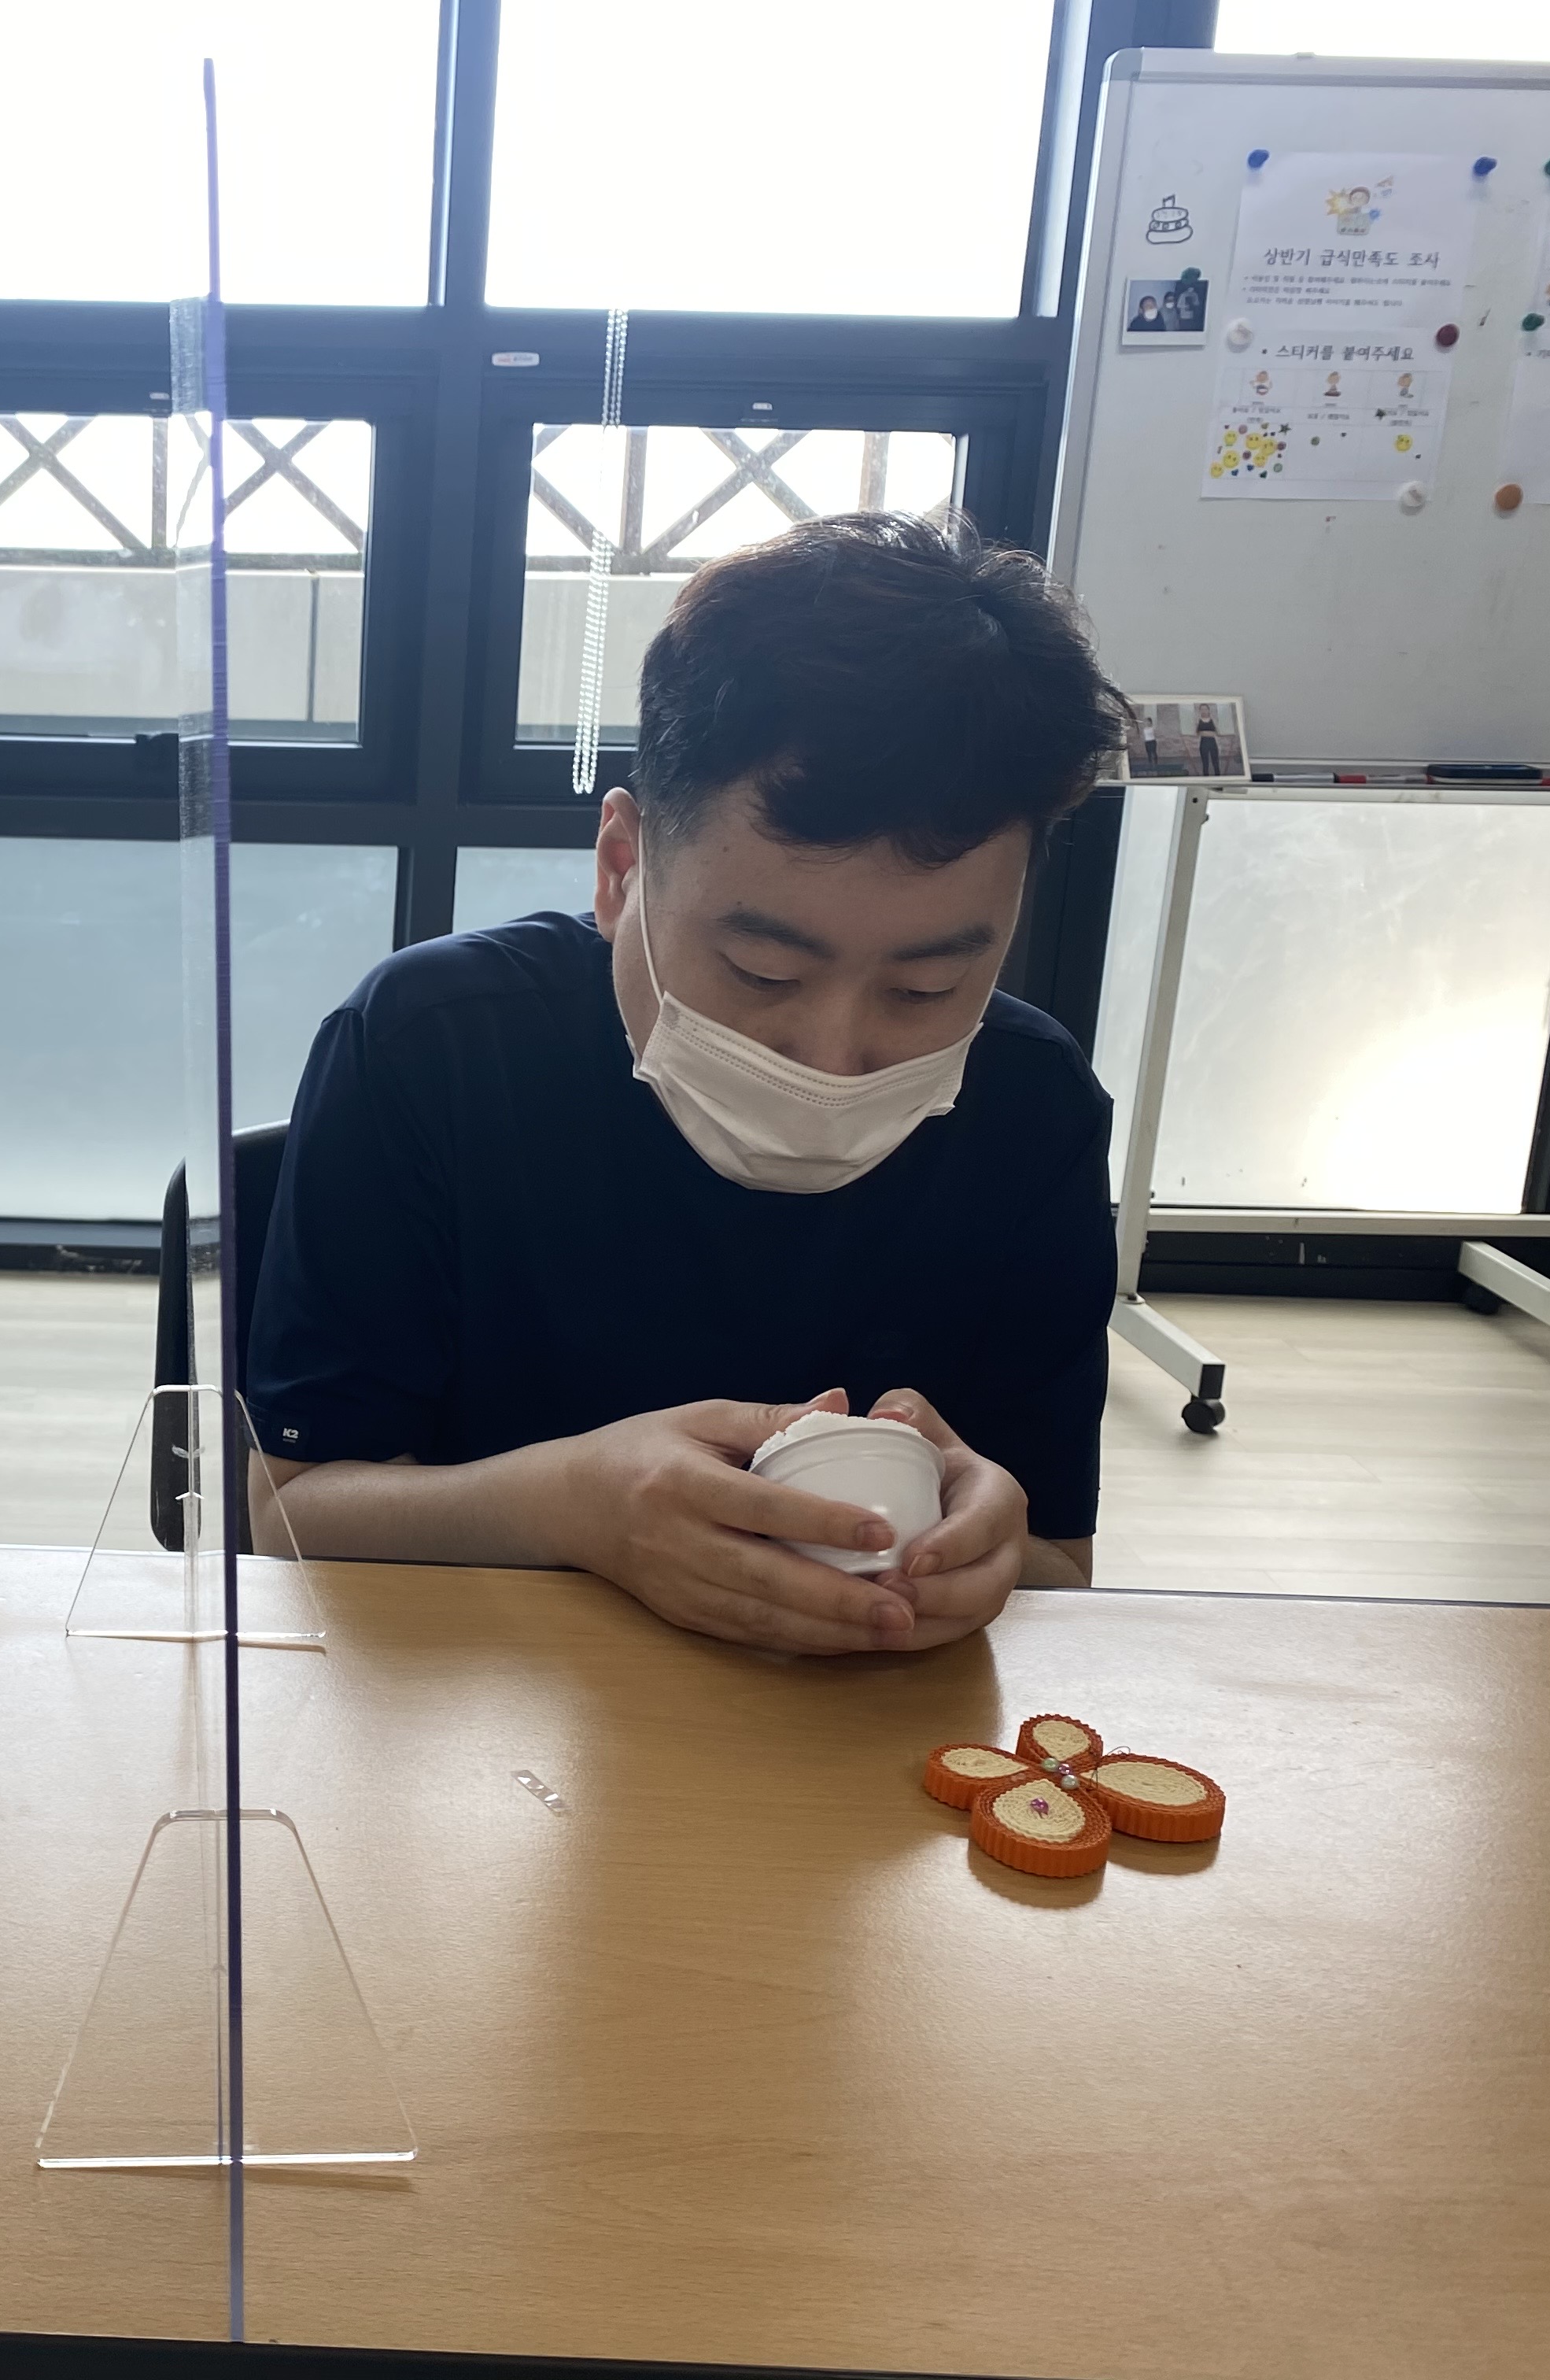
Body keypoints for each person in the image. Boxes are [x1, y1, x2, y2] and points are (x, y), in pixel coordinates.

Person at [246, 512, 1127, 1655]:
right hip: (484, 1706)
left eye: (928, 986)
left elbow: (1058, 1562)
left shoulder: (1033, 1110)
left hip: (853, 1722)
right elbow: (290, 1509)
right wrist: (572, 1506)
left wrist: (988, 1554)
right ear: (623, 866)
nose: (832, 1057)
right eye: (764, 970)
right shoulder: (434, 1048)